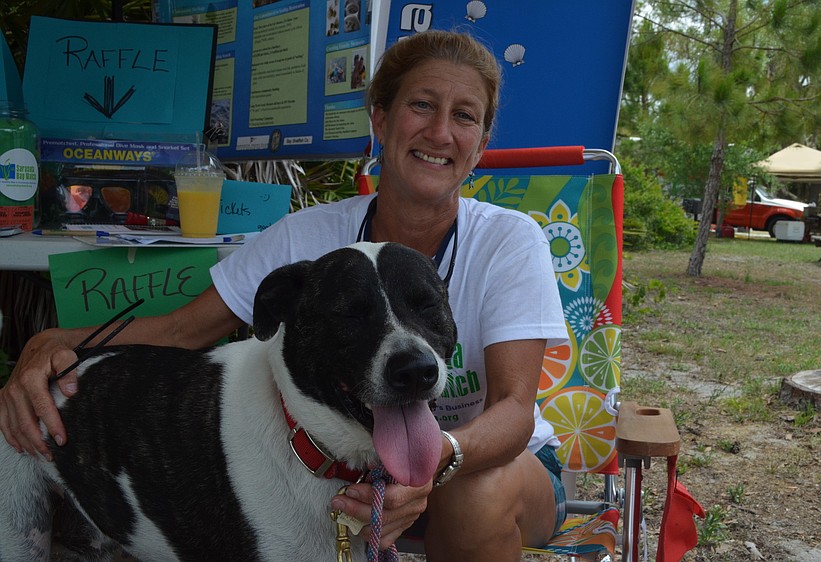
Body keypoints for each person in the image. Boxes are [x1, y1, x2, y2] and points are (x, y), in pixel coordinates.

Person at [0, 30, 568, 561]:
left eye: (464, 116)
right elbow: (181, 330)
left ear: (481, 143)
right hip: (348, 471)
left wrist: (437, 459)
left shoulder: (509, 240)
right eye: (422, 105)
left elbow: (514, 409)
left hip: (485, 467)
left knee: (473, 496)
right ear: (380, 117)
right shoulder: (304, 238)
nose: (441, 132)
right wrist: (55, 344)